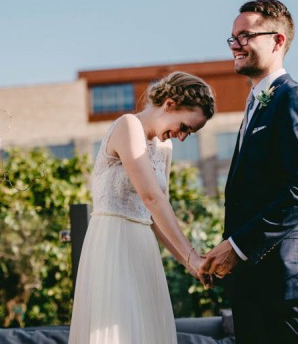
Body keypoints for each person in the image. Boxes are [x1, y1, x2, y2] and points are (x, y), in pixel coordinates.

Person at [200, 0, 298, 343]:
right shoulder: (254, 106)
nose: (235, 44)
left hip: (291, 283)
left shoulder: (296, 98)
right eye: (232, 37)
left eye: (245, 35)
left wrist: (237, 246)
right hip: (252, 288)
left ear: (278, 40)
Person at [69, 71, 215, 344]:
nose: (182, 136)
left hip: (143, 250)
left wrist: (192, 265)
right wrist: (192, 255)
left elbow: (159, 214)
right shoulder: (127, 126)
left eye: (189, 133)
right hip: (112, 245)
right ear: (170, 104)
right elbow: (151, 197)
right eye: (184, 126)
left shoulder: (165, 148)